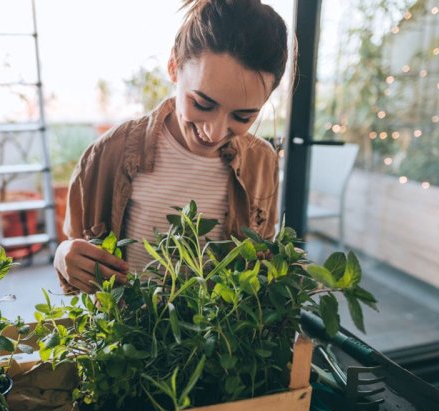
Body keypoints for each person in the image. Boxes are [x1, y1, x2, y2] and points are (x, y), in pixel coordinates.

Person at [55, 0, 289, 294]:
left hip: (223, 340)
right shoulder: (108, 154)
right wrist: (64, 256)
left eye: (243, 116)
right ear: (174, 67)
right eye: (202, 103)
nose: (214, 132)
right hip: (128, 334)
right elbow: (74, 253)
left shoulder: (262, 162)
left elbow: (261, 265)